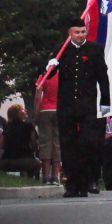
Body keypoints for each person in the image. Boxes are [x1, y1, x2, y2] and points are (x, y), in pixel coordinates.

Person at [46, 24, 110, 198]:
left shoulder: (94, 50)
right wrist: (49, 66)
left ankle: (85, 182)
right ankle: (72, 184)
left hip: (87, 106)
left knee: (87, 143)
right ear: (70, 33)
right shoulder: (61, 50)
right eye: (77, 32)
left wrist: (106, 102)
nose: (80, 35)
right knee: (68, 145)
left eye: (83, 32)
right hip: (66, 106)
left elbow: (102, 77)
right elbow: (47, 76)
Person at [33, 57, 62, 186]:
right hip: (59, 111)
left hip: (45, 111)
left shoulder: (43, 77)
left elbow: (38, 96)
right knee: (57, 143)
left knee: (45, 143)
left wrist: (36, 114)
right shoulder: (63, 77)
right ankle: (55, 176)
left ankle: (45, 175)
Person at [0, 105, 41, 178]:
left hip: (6, 161)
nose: (25, 111)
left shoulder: (7, 126)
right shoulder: (28, 126)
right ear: (17, 114)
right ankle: (29, 179)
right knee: (38, 163)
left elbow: (1, 144)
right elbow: (36, 143)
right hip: (24, 160)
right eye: (23, 110)